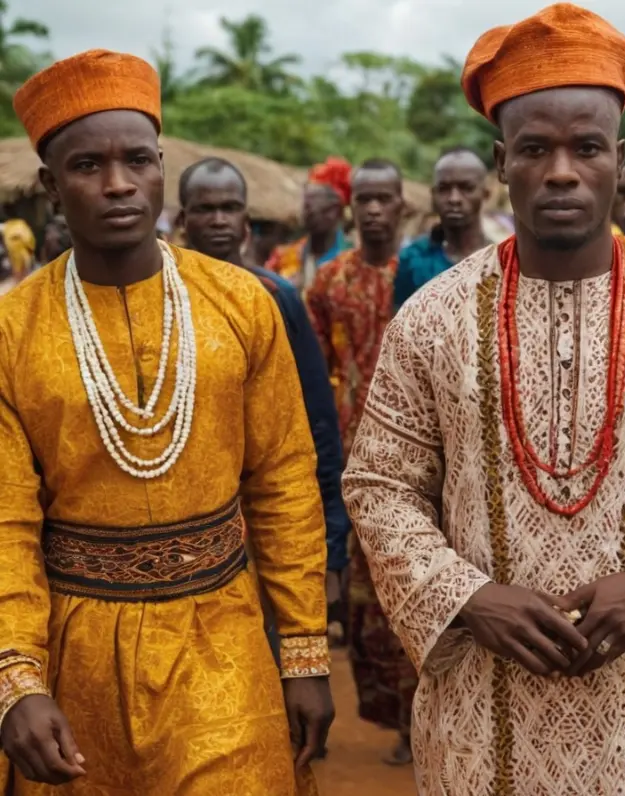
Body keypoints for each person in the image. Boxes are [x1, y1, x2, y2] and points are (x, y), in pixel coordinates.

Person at [341, 5, 625, 794]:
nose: (560, 171)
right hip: (480, 713)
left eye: (585, 148)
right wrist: (469, 596)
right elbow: (380, 487)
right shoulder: (434, 319)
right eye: (534, 149)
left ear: (617, 157)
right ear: (500, 162)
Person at [0, 50, 333, 794]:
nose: (119, 184)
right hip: (77, 652)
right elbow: (6, 524)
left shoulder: (242, 303)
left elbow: (282, 480)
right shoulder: (13, 331)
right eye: (88, 165)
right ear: (50, 186)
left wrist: (305, 654)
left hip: (226, 636)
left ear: (160, 169)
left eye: (139, 161)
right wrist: (18, 682)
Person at [177, 156, 350, 648]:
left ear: (245, 221)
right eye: (204, 209)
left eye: (229, 208)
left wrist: (331, 551)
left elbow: (316, 427)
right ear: (183, 220)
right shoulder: (161, 298)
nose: (217, 221)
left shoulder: (274, 296)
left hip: (263, 525)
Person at [304, 159, 416, 766]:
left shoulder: (425, 272)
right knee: (367, 602)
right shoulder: (329, 283)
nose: (374, 210)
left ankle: (420, 720)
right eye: (364, 199)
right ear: (353, 207)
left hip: (429, 462)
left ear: (403, 205)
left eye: (385, 199)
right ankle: (395, 715)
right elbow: (317, 375)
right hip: (355, 456)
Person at [392, 147, 493, 309]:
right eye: (444, 189)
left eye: (466, 188)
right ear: (433, 195)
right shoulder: (412, 260)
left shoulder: (505, 260)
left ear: (485, 195)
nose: (454, 199)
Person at [266, 156, 354, 293]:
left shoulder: (354, 260)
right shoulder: (284, 256)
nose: (307, 208)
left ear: (336, 210)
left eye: (314, 200)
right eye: (306, 200)